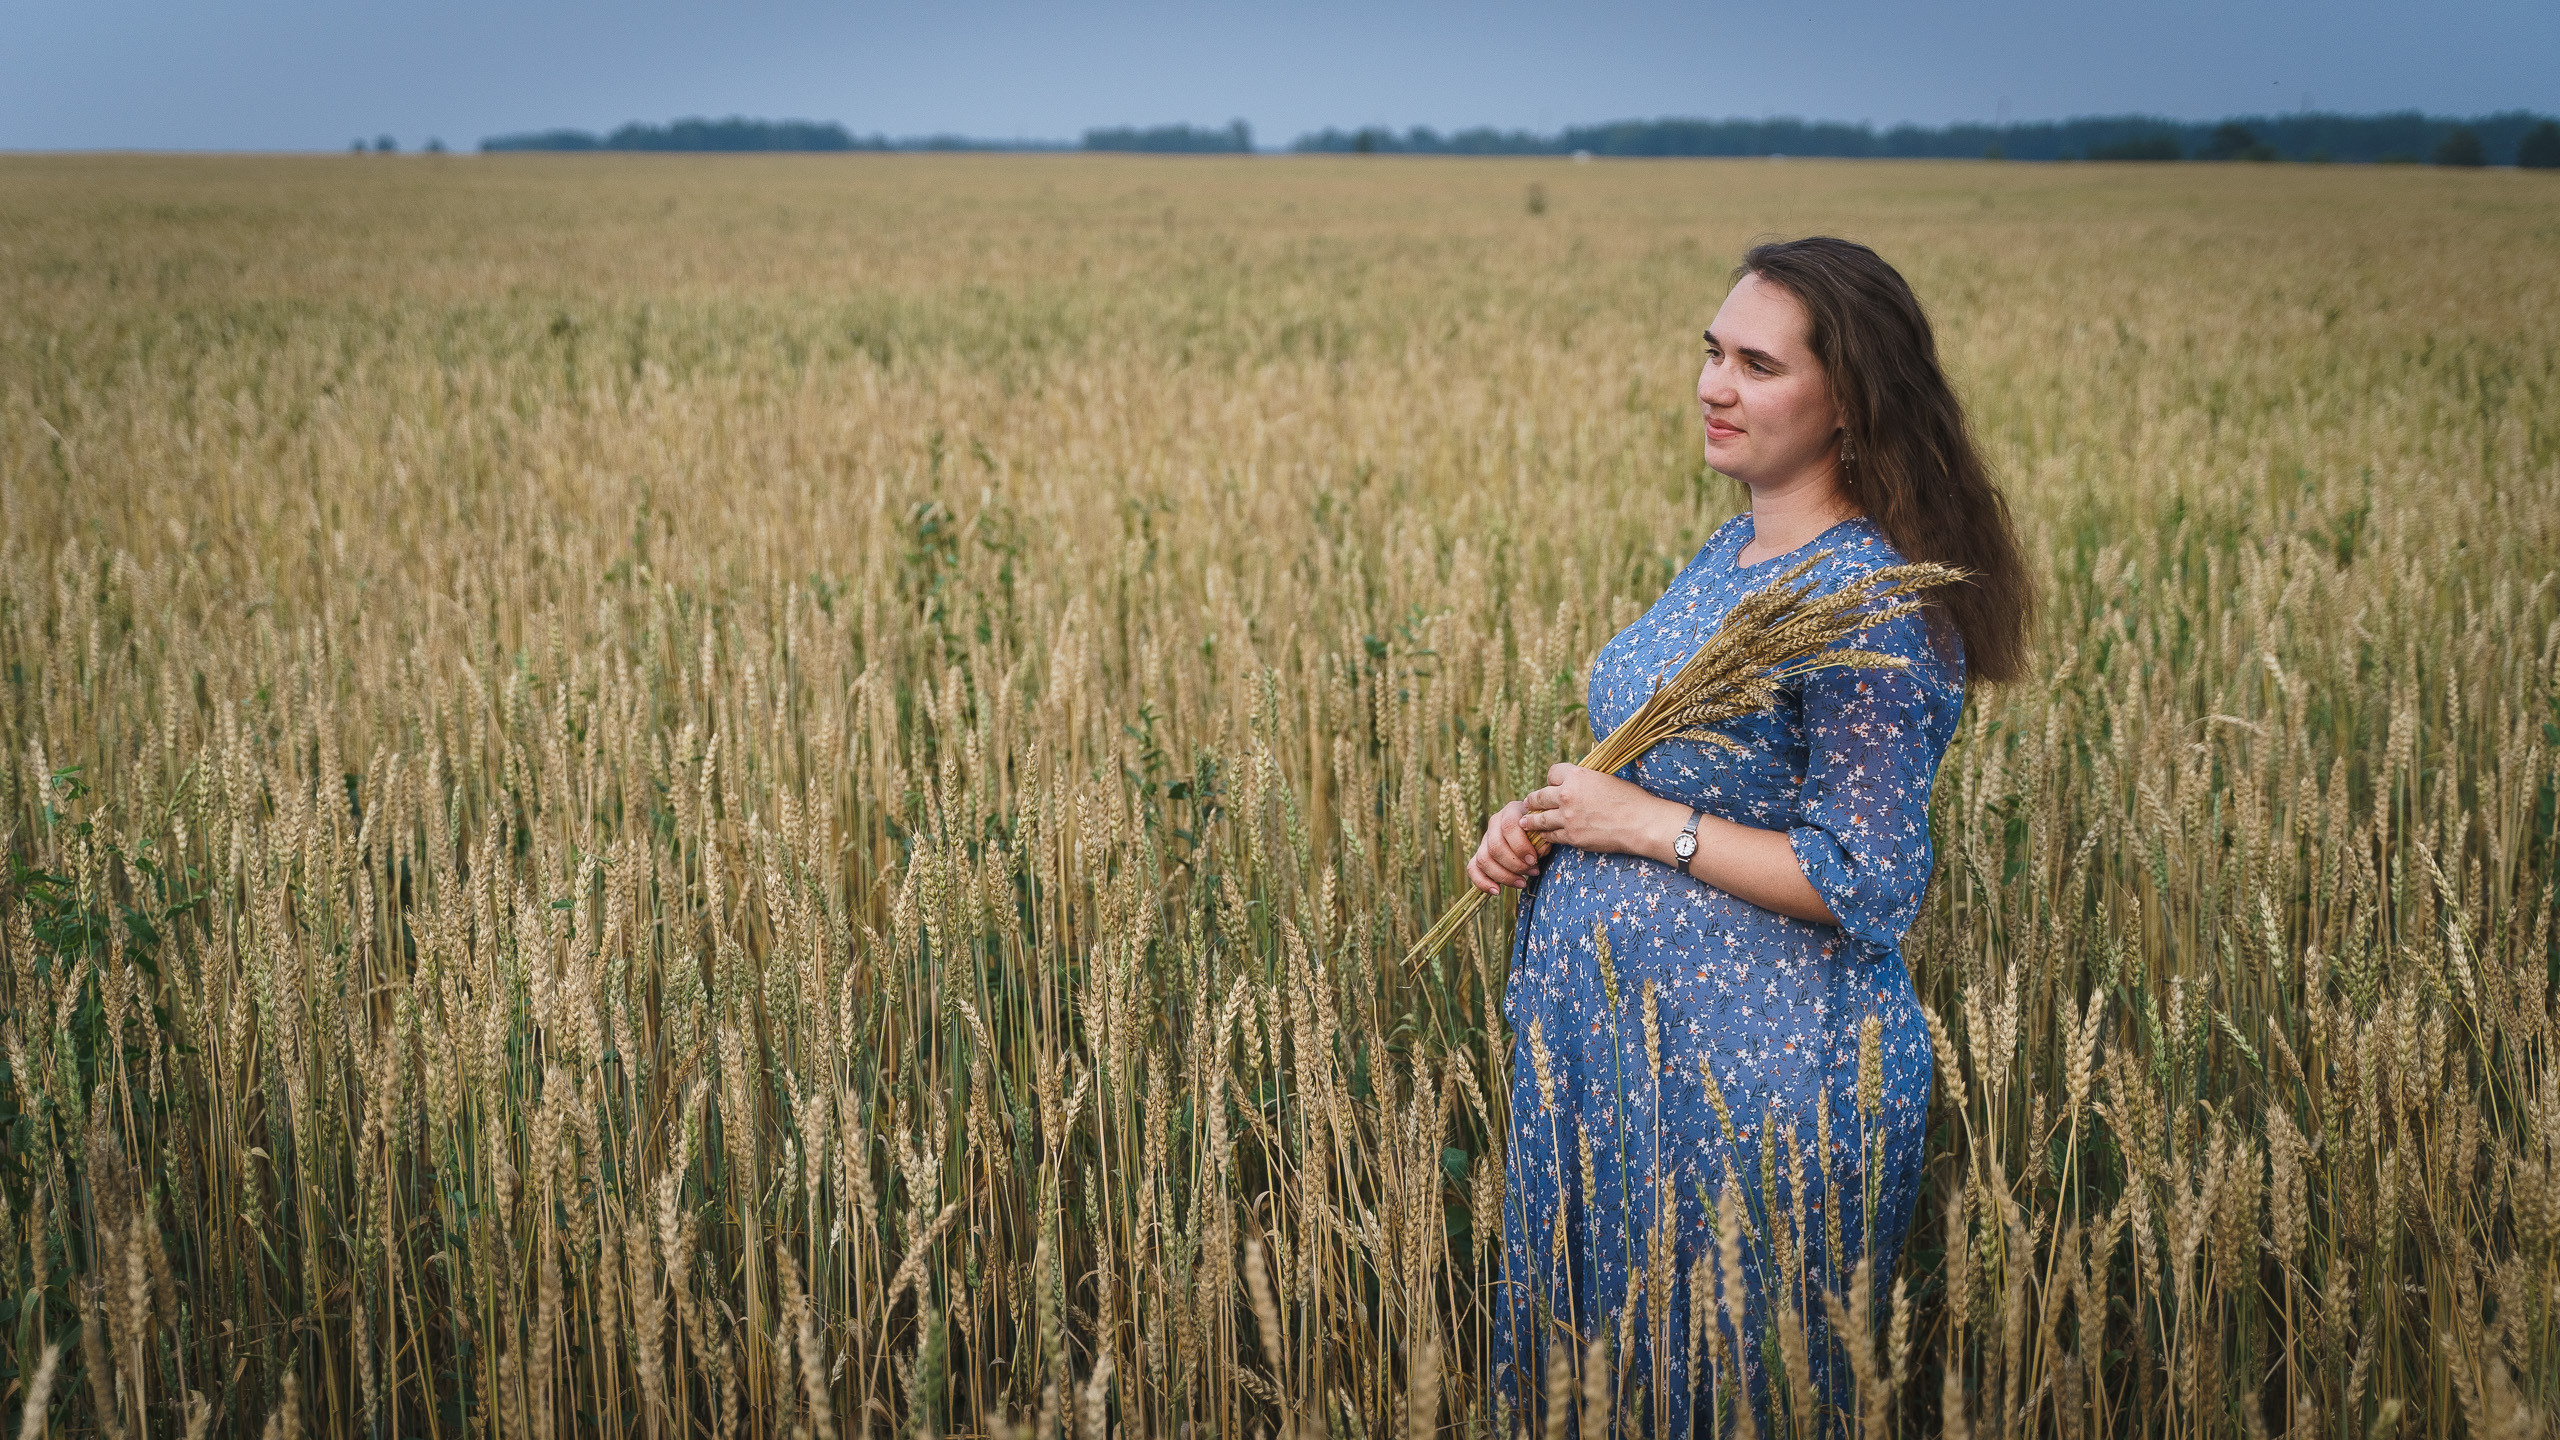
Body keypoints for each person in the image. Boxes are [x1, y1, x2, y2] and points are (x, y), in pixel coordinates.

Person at [1473, 236, 2033, 1436]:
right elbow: (1677, 769)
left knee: (1719, 1392)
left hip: (1754, 1088)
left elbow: (1864, 880)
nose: (1714, 385)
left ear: (1849, 402)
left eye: (1758, 365)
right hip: (1619, 1067)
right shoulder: (1738, 547)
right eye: (1711, 351)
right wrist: (1550, 824)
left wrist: (1639, 824)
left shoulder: (1870, 609)